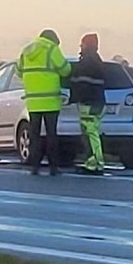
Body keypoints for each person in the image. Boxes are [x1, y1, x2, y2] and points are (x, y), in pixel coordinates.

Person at [16, 29, 71, 176]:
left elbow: (18, 72)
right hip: (50, 100)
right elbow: (66, 70)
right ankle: (53, 167)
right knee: (51, 134)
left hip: (33, 101)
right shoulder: (52, 49)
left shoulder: (26, 51)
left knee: (34, 135)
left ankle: (35, 166)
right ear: (53, 39)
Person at [69, 33, 106, 174]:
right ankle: (92, 161)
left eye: (82, 44)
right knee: (90, 132)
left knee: (90, 133)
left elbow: (81, 83)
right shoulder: (96, 60)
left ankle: (95, 162)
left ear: (87, 45)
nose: (81, 46)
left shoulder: (87, 62)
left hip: (89, 103)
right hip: (96, 101)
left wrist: (74, 96)